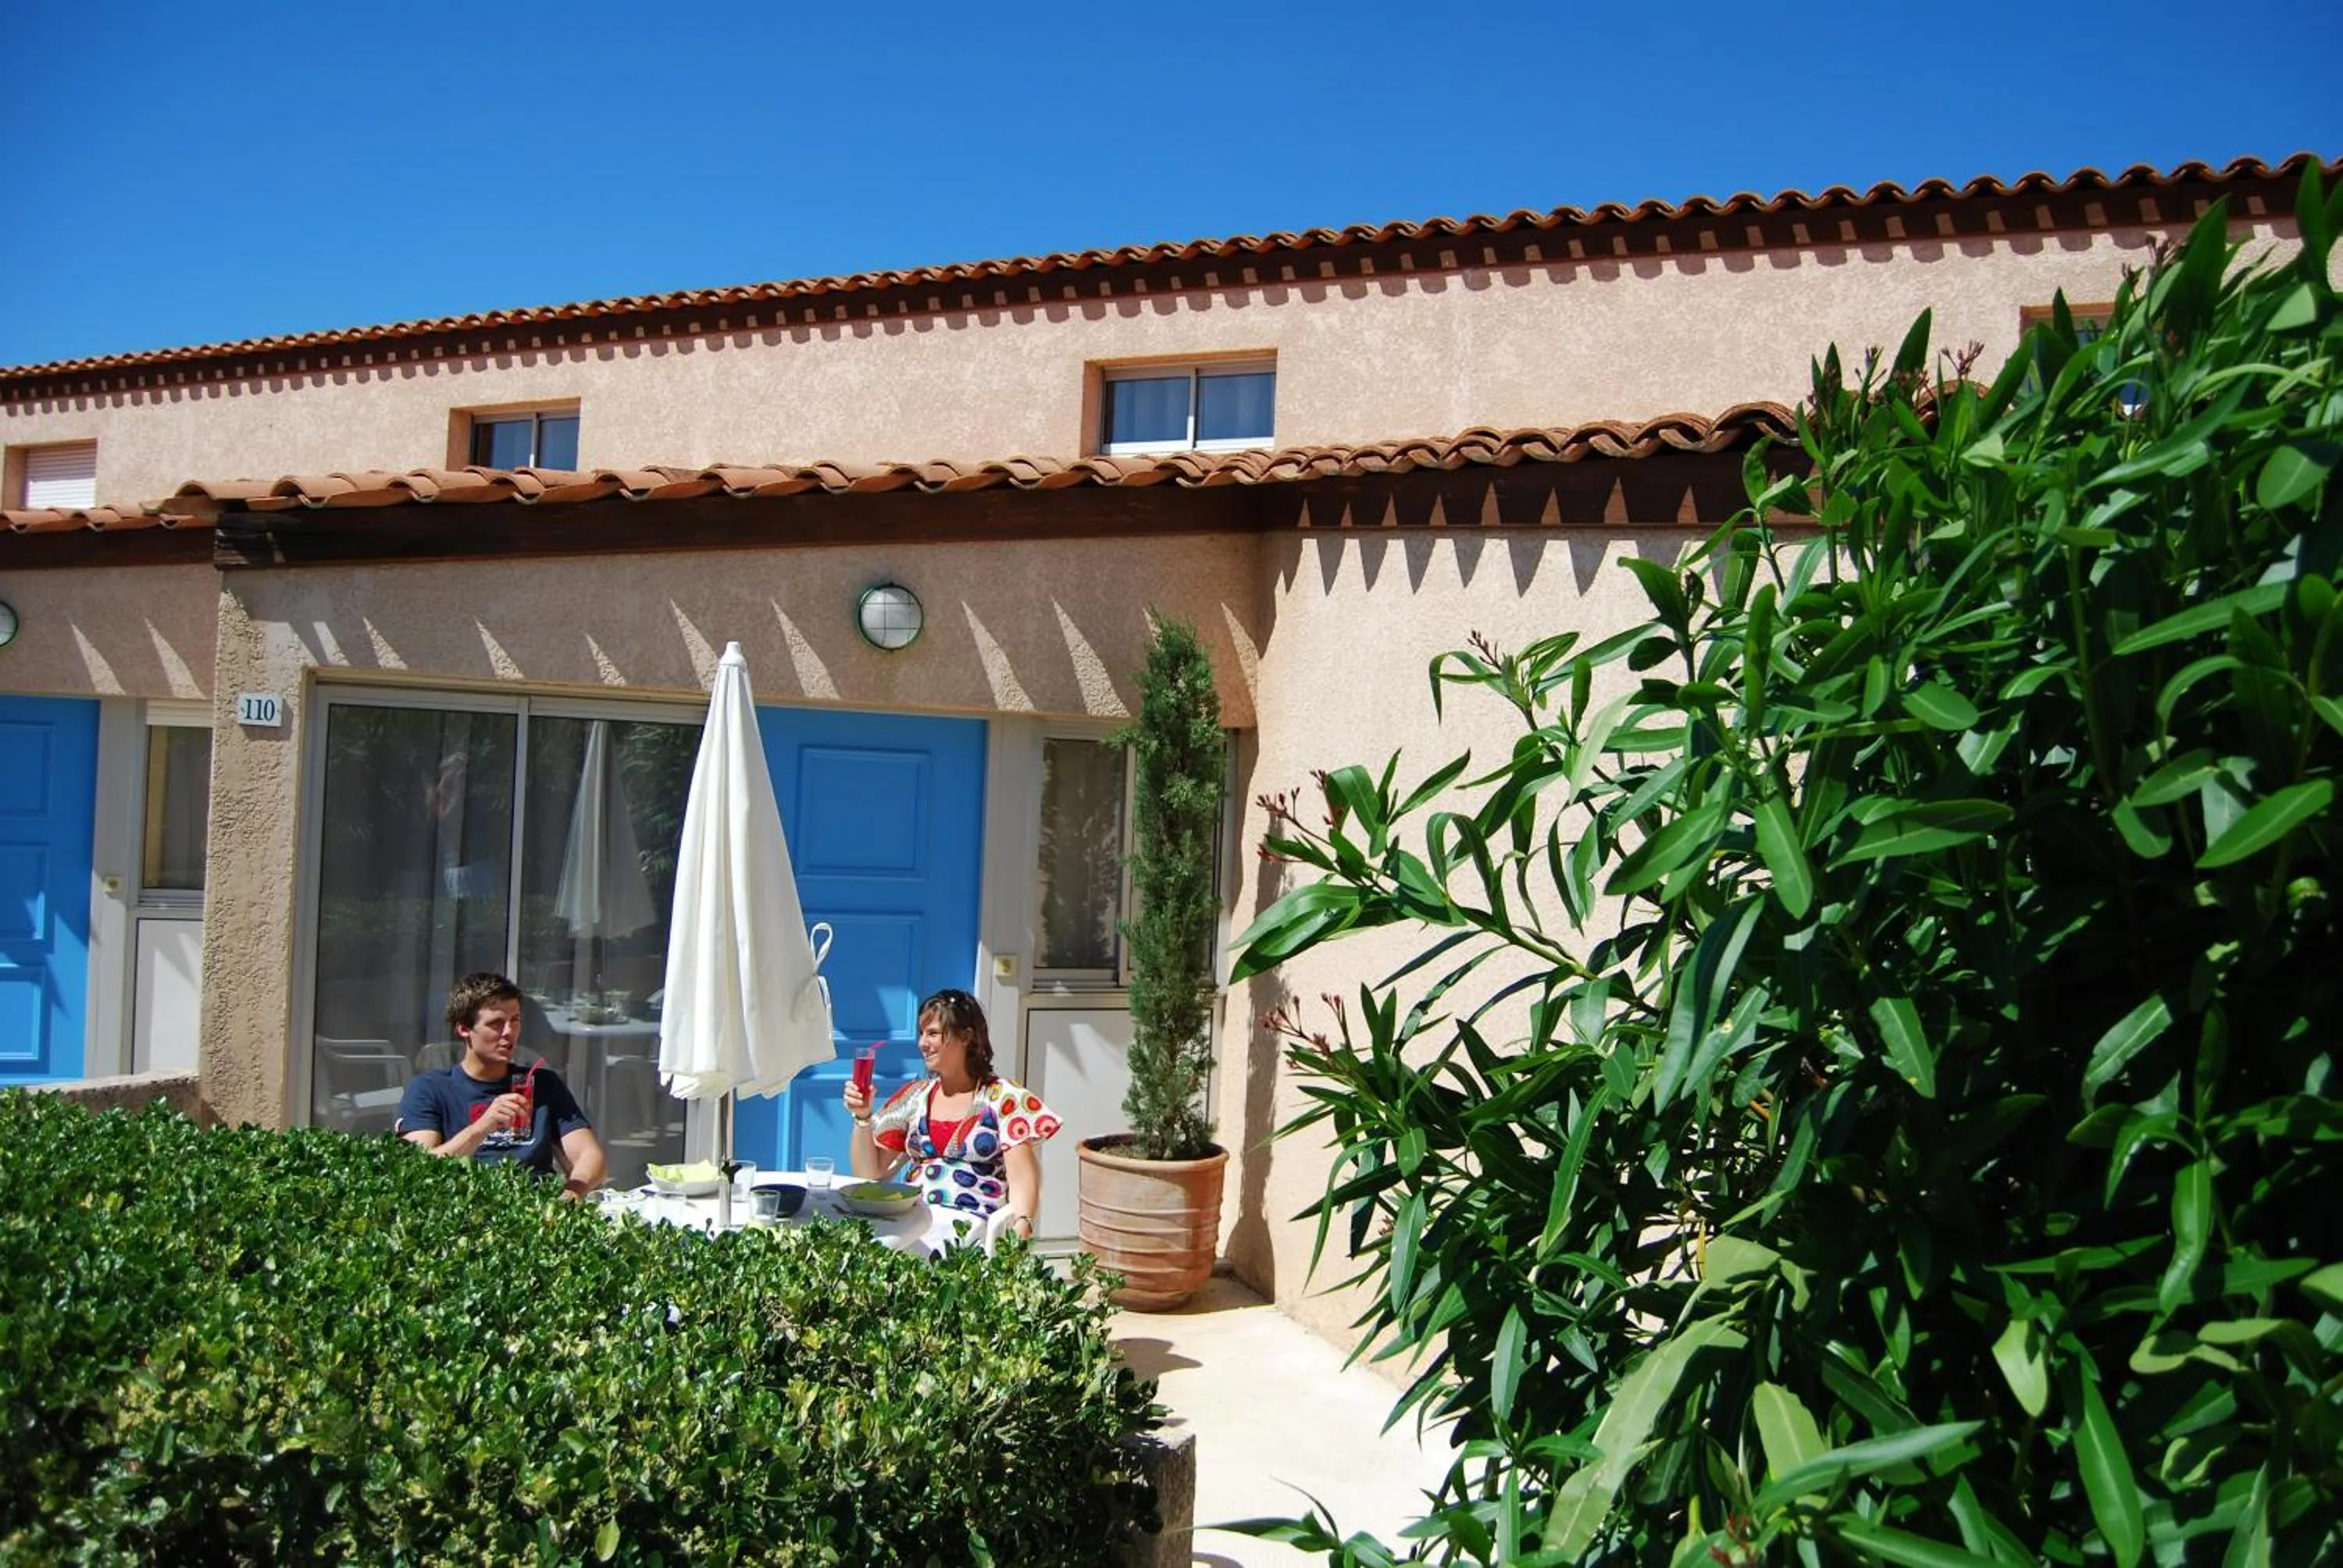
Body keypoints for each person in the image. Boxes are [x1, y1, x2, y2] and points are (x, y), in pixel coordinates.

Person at [843, 988, 1059, 1239]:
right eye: (922, 1034)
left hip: (971, 1236)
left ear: (966, 1037)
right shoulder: (915, 1097)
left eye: (933, 1033)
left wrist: (1019, 1239)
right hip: (915, 1227)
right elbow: (869, 1173)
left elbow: (1023, 1182)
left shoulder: (1003, 1099)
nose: (923, 1043)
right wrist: (862, 1117)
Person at [397, 971, 608, 1200]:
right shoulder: (429, 1089)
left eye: (515, 1021)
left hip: (537, 1210)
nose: (509, 1033)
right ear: (464, 1029)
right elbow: (417, 1169)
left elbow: (590, 1156)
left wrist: (571, 1194)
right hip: (465, 1207)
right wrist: (484, 1126)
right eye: (496, 1024)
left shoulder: (544, 1085)